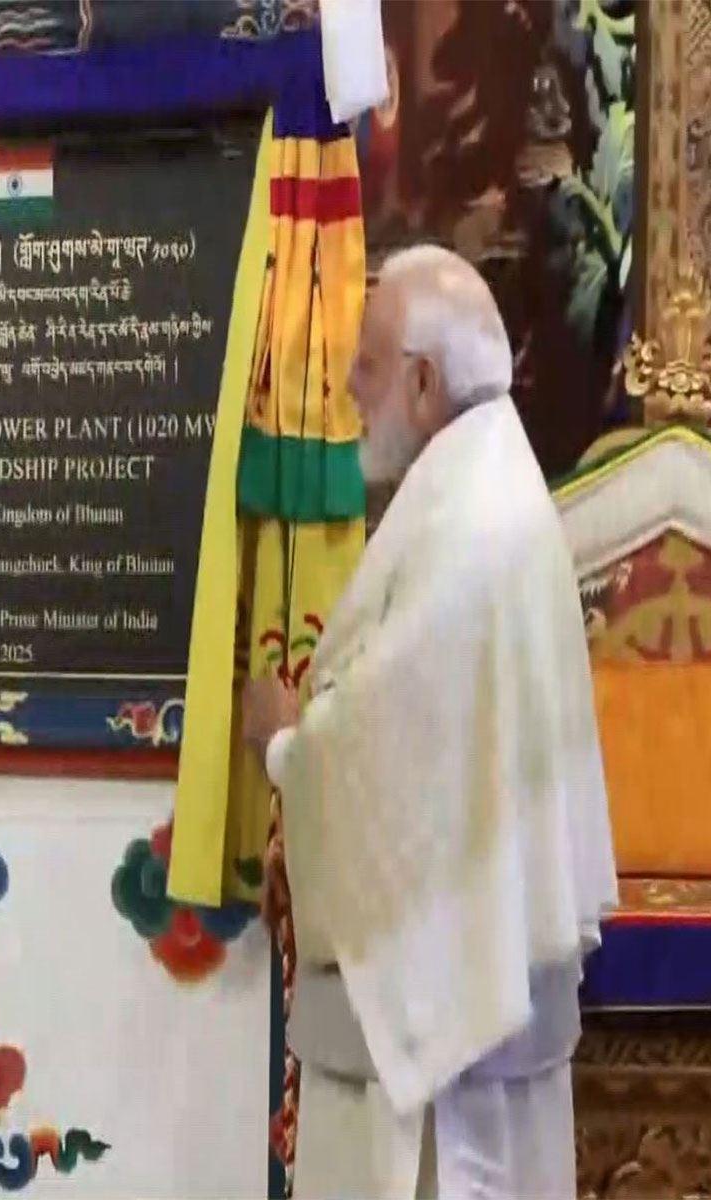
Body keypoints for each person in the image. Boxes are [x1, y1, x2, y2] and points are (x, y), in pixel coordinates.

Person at [241, 245, 617, 1199]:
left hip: (448, 1041)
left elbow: (387, 752)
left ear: (421, 378)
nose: (349, 392)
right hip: (478, 982)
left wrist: (286, 746)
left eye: (366, 367)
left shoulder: (473, 523)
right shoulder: (487, 480)